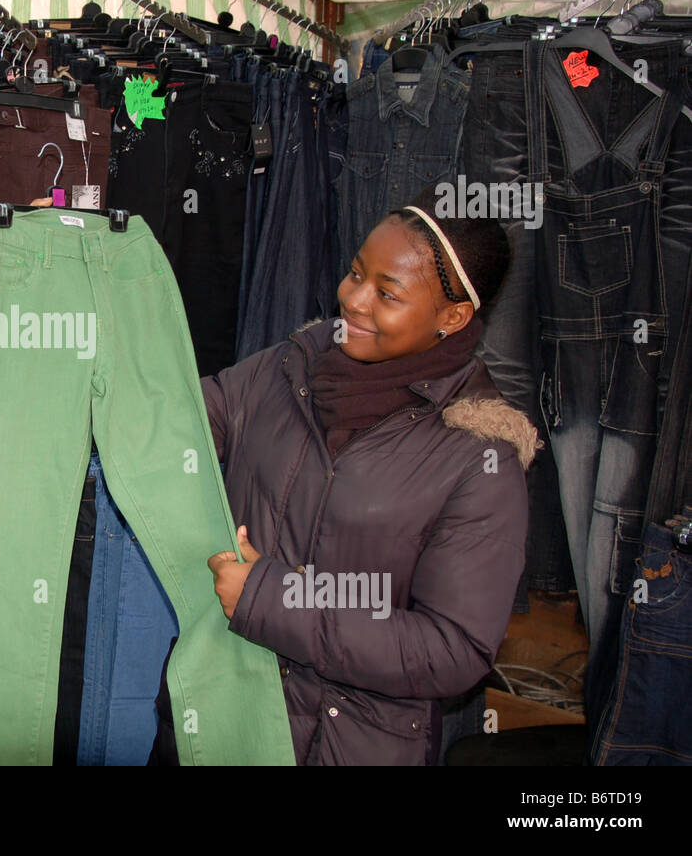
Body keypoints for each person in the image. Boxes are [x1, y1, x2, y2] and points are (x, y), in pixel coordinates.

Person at [204, 185, 541, 765]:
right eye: (356, 272)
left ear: (453, 316)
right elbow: (179, 423)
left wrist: (269, 597)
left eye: (387, 293)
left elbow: (452, 649)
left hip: (344, 746)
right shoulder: (292, 368)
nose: (353, 300)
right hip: (223, 715)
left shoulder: (478, 458)